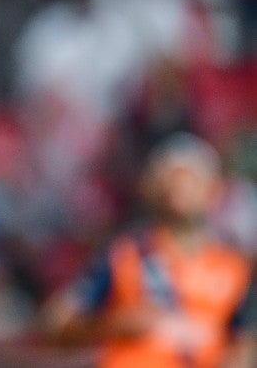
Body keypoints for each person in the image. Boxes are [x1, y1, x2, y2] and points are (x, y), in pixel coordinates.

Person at [43, 133, 257, 368]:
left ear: (214, 191)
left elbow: (243, 340)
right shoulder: (124, 255)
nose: (182, 189)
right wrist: (115, 324)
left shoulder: (233, 266)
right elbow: (57, 320)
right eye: (174, 181)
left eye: (192, 181)